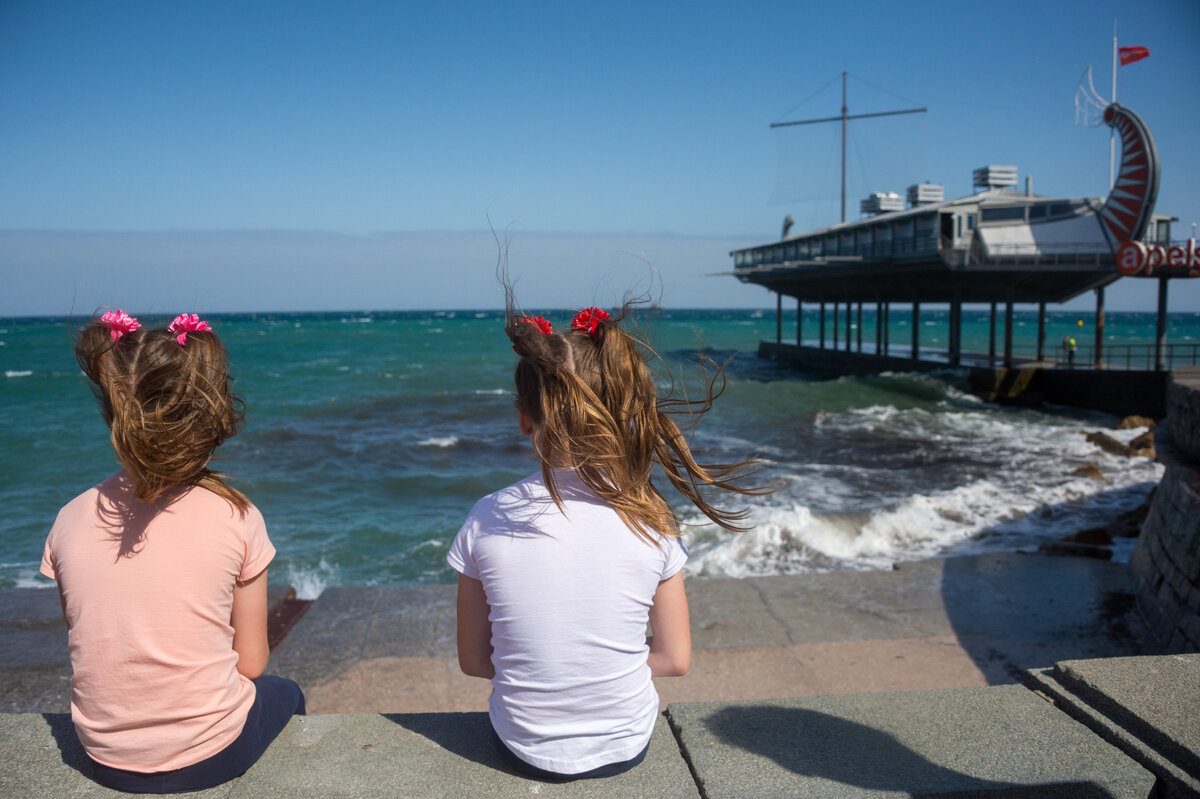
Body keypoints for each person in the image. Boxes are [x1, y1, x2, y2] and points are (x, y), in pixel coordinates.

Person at [448, 294, 760, 782]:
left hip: (521, 747)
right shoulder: (650, 517)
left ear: (523, 416)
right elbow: (676, 660)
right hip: (626, 744)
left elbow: (473, 660)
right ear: (620, 410)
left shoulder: (486, 517)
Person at [41, 310, 304, 794]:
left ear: (112, 411)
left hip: (104, 757)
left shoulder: (69, 519)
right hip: (213, 753)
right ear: (211, 416)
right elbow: (250, 664)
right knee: (285, 692)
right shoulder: (237, 515)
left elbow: (89, 633)